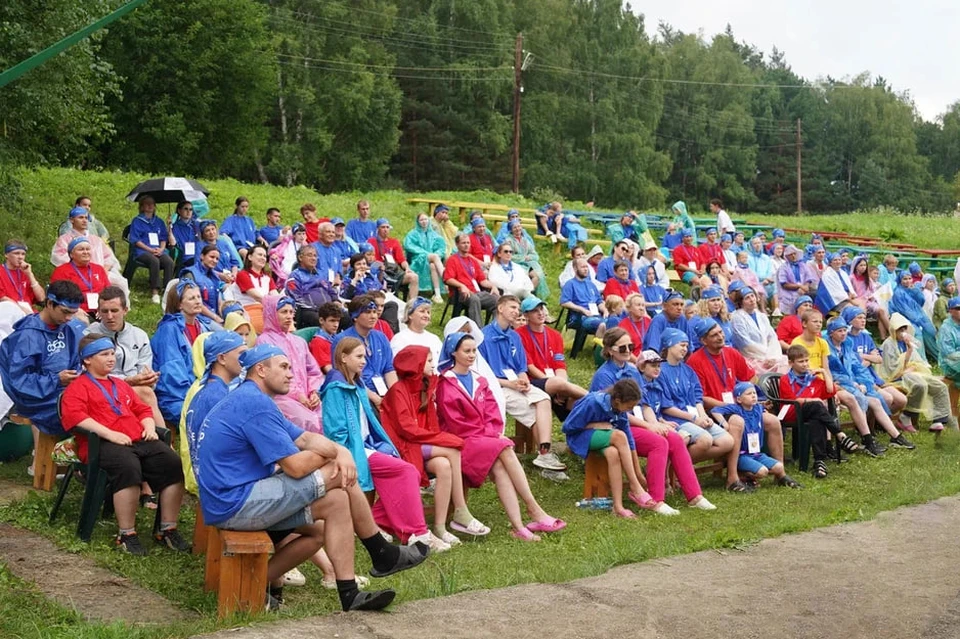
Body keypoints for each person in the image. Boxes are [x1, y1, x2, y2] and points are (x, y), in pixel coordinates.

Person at [195, 344, 424, 612]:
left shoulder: (255, 399)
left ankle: (348, 593)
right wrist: (335, 455)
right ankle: (381, 552)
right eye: (283, 367)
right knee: (335, 473)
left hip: (235, 497)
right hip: (232, 503)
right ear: (260, 370)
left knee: (333, 507)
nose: (291, 374)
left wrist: (338, 449)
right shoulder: (253, 403)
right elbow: (294, 466)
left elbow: (304, 438)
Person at [62, 334, 189, 554]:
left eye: (112, 353)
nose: (111, 358)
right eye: (104, 354)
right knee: (128, 467)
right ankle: (126, 534)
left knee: (172, 463)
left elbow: (142, 409)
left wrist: (150, 427)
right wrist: (110, 434)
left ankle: (167, 529)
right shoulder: (78, 387)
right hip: (101, 444)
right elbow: (75, 417)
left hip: (137, 439)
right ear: (87, 360)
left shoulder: (119, 384)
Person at [436, 332, 566, 541]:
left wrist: (489, 436)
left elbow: (492, 413)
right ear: (453, 353)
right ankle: (534, 510)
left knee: (499, 466)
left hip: (483, 439)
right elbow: (455, 424)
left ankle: (518, 526)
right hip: (460, 442)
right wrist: (490, 438)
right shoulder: (445, 384)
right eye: (466, 351)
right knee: (504, 446)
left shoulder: (480, 380)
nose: (471, 355)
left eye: (474, 351)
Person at [321, 338, 447, 552]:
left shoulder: (357, 383)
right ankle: (418, 532)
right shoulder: (335, 387)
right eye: (358, 357)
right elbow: (337, 432)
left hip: (368, 445)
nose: (363, 361)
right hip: (353, 451)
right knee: (407, 470)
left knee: (411, 472)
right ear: (343, 357)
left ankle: (376, 521)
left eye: (364, 356)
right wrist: (350, 458)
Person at [591, 329, 719, 507]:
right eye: (622, 348)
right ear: (610, 350)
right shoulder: (604, 375)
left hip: (638, 422)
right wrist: (648, 426)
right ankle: (656, 499)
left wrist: (654, 423)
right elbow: (616, 413)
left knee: (674, 438)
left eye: (631, 346)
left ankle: (695, 495)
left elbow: (644, 404)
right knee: (659, 442)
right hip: (615, 426)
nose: (628, 350)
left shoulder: (633, 370)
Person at [380, 345, 490, 544]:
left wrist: (440, 438)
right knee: (453, 450)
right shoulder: (398, 391)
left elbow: (432, 424)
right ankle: (461, 510)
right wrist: (444, 440)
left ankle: (439, 526)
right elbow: (407, 430)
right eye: (429, 361)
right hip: (406, 446)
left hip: (421, 445)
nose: (433, 365)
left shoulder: (425, 386)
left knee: (444, 465)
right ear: (417, 364)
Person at [0, 281, 85, 480]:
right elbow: (18, 381)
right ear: (49, 303)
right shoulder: (28, 336)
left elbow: (75, 361)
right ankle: (61, 458)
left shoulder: (68, 329)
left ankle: (76, 457)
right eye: (65, 311)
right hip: (33, 397)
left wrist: (75, 375)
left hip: (62, 390)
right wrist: (56, 380)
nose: (69, 317)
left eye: (73, 312)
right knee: (88, 410)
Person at [686, 318, 786, 486]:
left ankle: (780, 473)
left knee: (772, 420)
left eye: (720, 332)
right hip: (714, 411)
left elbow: (751, 377)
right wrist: (730, 406)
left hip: (740, 405)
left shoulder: (731, 352)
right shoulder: (695, 361)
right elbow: (700, 398)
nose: (720, 336)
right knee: (737, 422)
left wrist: (755, 397)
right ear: (704, 340)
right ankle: (734, 475)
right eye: (714, 335)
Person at [480, 295, 566, 472]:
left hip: (515, 384)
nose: (516, 311)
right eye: (512, 307)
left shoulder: (514, 336)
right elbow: (483, 375)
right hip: (497, 387)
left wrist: (524, 381)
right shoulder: (484, 336)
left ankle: (544, 452)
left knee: (543, 398)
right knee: (535, 414)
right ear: (500, 308)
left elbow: (521, 367)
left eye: (517, 308)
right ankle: (545, 456)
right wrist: (510, 384)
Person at [562, 380, 653, 518]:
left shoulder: (620, 410)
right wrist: (595, 425)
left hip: (598, 439)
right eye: (629, 406)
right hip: (578, 438)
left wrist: (639, 473)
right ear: (617, 400)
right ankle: (635, 487)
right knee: (619, 436)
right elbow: (568, 427)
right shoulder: (593, 402)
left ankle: (618, 507)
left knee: (613, 453)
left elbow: (630, 442)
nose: (630, 409)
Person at [825, 317, 915, 452]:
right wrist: (853, 383)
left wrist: (863, 382)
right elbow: (833, 373)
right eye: (839, 331)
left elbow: (857, 367)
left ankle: (895, 436)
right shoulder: (827, 349)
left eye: (844, 330)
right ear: (831, 333)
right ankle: (867, 440)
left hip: (853, 383)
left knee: (876, 401)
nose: (843, 333)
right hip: (838, 385)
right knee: (860, 398)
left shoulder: (847, 345)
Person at [779, 344, 861, 479]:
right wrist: (812, 401)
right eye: (801, 361)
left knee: (816, 419)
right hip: (792, 411)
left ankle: (819, 461)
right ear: (790, 363)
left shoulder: (812, 378)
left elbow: (830, 391)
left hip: (812, 413)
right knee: (817, 405)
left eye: (806, 360)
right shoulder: (785, 379)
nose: (805, 364)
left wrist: (823, 372)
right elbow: (792, 400)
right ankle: (839, 434)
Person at [87, 286, 163, 425]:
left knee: (147, 391)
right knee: (146, 394)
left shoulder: (139, 335)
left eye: (114, 311)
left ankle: (160, 439)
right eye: (104, 311)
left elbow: (145, 368)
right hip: (102, 388)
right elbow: (91, 374)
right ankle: (165, 442)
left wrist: (148, 378)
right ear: (98, 312)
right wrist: (128, 380)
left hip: (135, 386)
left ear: (125, 310)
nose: (109, 316)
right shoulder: (90, 336)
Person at [710, 383, 801, 489]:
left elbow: (763, 408)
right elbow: (715, 410)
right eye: (749, 394)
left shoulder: (757, 408)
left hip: (757, 453)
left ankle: (777, 476)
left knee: (779, 467)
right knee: (763, 472)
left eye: (754, 393)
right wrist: (723, 423)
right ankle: (744, 476)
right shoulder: (735, 408)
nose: (753, 395)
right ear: (739, 399)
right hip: (743, 454)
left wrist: (765, 406)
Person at [151, 281, 216, 423]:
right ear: (179, 304)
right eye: (191, 298)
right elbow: (171, 373)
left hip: (202, 391)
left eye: (199, 297)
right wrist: (196, 396)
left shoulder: (203, 327)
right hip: (176, 397)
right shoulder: (169, 330)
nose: (198, 301)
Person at [257, 296, 325, 433]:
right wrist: (297, 395)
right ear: (272, 313)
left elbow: (313, 371)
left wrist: (314, 392)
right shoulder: (264, 341)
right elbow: (272, 376)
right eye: (283, 312)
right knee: (307, 421)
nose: (289, 316)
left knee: (328, 417)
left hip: (307, 397)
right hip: (281, 398)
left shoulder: (299, 342)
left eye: (291, 312)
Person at [877, 313, 953, 432]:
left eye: (904, 328)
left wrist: (913, 364)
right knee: (919, 385)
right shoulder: (889, 344)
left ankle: (939, 419)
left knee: (939, 386)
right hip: (897, 378)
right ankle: (906, 416)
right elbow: (891, 369)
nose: (903, 331)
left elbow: (918, 361)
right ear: (893, 330)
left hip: (912, 373)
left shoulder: (908, 343)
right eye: (899, 329)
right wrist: (908, 358)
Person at [516, 296, 587, 419]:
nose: (540, 313)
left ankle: (575, 428)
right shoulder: (519, 335)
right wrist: (557, 386)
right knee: (566, 389)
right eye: (535, 311)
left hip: (556, 381)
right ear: (526, 315)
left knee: (574, 400)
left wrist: (561, 385)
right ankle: (596, 398)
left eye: (541, 309)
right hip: (534, 380)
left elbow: (560, 365)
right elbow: (530, 367)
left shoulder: (555, 335)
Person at [331, 295, 396, 408]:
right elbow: (344, 375)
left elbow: (389, 369)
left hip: (383, 391)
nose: (373, 316)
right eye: (367, 312)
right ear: (355, 317)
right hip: (357, 393)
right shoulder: (342, 340)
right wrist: (373, 397)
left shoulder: (381, 337)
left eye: (375, 312)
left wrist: (395, 394)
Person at [52, 206, 127, 298]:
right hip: (76, 272)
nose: (84, 220)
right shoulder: (64, 239)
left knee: (121, 282)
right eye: (80, 217)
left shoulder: (96, 239)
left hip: (99, 272)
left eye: (86, 218)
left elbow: (108, 257)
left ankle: (120, 308)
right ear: (72, 220)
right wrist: (80, 266)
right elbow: (58, 258)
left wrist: (103, 271)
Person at [444, 233, 499, 326]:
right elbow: (448, 279)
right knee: (474, 300)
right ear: (457, 245)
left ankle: (496, 328)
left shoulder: (473, 260)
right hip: (460, 293)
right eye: (463, 243)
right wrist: (462, 286)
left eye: (468, 243)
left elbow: (482, 280)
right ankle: (479, 330)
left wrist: (493, 286)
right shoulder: (452, 260)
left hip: (476, 292)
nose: (466, 245)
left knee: (497, 300)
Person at [729, 286, 787, 374]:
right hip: (751, 357)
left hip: (769, 356)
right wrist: (767, 357)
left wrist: (773, 357)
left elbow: (772, 338)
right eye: (747, 298)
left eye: (752, 296)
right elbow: (746, 344)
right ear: (741, 302)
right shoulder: (737, 318)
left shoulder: (762, 316)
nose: (751, 299)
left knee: (785, 363)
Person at [128, 196, 175, 303]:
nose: (150, 206)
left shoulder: (158, 221)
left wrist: (162, 249)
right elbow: (136, 240)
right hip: (143, 251)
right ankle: (155, 292)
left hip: (158, 250)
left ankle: (167, 291)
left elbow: (163, 238)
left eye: (152, 204)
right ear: (142, 207)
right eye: (147, 204)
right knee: (154, 261)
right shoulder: (137, 221)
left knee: (169, 262)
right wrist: (149, 249)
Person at [50, 236, 109, 318]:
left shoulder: (98, 269)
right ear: (71, 254)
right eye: (81, 249)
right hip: (75, 310)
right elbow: (58, 296)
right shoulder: (61, 271)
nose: (85, 252)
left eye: (88, 249)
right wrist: (75, 309)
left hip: (99, 310)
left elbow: (108, 292)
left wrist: (104, 308)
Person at [284, 244, 339, 328]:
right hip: (309, 311)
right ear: (300, 257)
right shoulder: (295, 276)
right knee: (323, 321)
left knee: (348, 317)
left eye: (315, 256)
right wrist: (317, 309)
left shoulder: (320, 274)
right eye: (309, 255)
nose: (313, 258)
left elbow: (330, 290)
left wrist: (336, 300)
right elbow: (296, 298)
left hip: (329, 310)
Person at [890, 270, 939, 361]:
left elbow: (921, 301)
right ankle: (921, 360)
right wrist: (917, 320)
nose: (908, 281)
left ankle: (938, 356)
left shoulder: (912, 290)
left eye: (909, 278)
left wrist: (916, 290)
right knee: (917, 332)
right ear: (900, 280)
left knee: (930, 330)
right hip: (904, 318)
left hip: (918, 315)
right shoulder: (898, 292)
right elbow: (904, 310)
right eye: (905, 279)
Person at [403, 212, 447, 304]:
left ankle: (437, 294)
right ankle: (445, 276)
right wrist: (426, 253)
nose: (424, 222)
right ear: (418, 222)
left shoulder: (433, 234)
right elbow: (409, 245)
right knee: (434, 257)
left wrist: (437, 254)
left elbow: (441, 247)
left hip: (432, 259)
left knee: (432, 266)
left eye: (425, 219)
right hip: (418, 259)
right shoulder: (413, 233)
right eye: (421, 220)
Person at [371, 218, 419, 296]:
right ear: (377, 229)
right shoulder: (372, 242)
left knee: (414, 277)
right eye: (383, 227)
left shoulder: (394, 242)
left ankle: (411, 305)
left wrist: (407, 268)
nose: (385, 230)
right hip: (379, 271)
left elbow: (402, 260)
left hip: (393, 270)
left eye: (387, 227)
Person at [560, 258, 607, 336]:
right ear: (575, 268)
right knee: (603, 325)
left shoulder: (591, 284)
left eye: (586, 267)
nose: (586, 269)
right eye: (583, 267)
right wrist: (582, 310)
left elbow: (599, 301)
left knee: (615, 322)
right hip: (581, 317)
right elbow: (564, 302)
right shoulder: (570, 284)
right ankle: (600, 347)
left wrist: (605, 310)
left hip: (596, 314)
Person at [179, 245, 224, 324]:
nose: (215, 261)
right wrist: (215, 317)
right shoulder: (190, 273)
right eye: (212, 257)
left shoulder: (215, 276)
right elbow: (193, 302)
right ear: (202, 256)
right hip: (198, 317)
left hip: (214, 316)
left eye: (217, 259)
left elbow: (219, 300)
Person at [390, 297, 443, 362]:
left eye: (428, 312)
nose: (426, 315)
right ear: (410, 315)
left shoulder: (434, 339)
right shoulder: (400, 339)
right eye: (422, 311)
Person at [505, 219, 548, 299]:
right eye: (515, 227)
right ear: (511, 230)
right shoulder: (508, 241)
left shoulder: (525, 240)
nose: (517, 229)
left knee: (538, 276)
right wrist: (523, 258)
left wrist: (530, 257)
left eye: (519, 226)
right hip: (516, 264)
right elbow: (508, 256)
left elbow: (534, 253)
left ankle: (530, 295)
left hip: (528, 263)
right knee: (526, 276)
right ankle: (523, 296)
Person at [849, 255, 890, 338]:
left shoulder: (867, 278)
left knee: (882, 311)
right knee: (880, 311)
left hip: (869, 301)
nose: (863, 267)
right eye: (861, 265)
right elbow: (850, 293)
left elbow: (873, 291)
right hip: (859, 301)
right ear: (856, 266)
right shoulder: (851, 278)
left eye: (864, 265)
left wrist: (872, 296)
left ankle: (886, 335)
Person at [0, 239, 44, 314]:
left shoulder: (25, 272)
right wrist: (21, 310)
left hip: (29, 313)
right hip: (8, 313)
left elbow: (41, 298)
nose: (20, 257)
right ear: (6, 255)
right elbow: (2, 298)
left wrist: (30, 275)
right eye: (16, 253)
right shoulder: (1, 271)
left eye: (23, 254)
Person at [309, 302, 344, 373]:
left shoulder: (337, 338)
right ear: (321, 320)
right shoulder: (318, 341)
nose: (336, 325)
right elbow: (328, 369)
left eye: (338, 321)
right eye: (332, 321)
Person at [166, 201, 201, 269]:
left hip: (198, 255)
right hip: (184, 258)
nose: (188, 211)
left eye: (190, 209)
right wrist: (169, 227)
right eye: (185, 209)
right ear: (179, 211)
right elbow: (173, 244)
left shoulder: (196, 225)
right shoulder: (175, 227)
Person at [618, 293, 651, 359]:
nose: (641, 308)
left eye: (643, 305)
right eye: (638, 305)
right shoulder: (623, 325)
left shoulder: (650, 321)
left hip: (650, 357)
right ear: (629, 308)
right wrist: (637, 362)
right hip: (631, 358)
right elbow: (624, 350)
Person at [937, 296, 960, 389]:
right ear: (950, 311)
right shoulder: (946, 329)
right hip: (951, 366)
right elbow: (949, 355)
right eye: (958, 308)